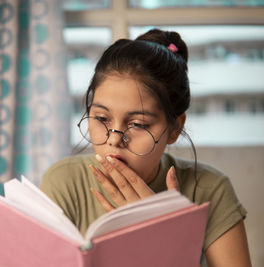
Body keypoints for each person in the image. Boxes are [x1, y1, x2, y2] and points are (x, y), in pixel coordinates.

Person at [40, 29, 251, 266]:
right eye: (101, 119)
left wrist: (167, 244)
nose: (114, 140)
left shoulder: (210, 189)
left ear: (175, 128)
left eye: (138, 124)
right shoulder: (64, 182)